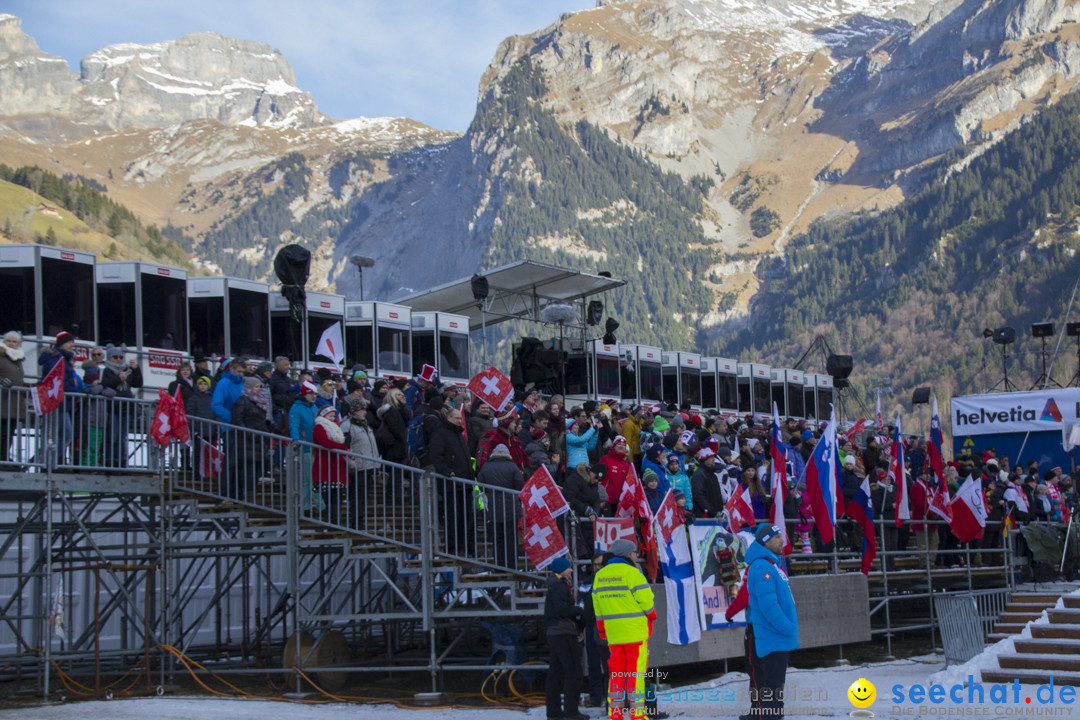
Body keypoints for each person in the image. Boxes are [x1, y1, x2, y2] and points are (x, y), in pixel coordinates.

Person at [591, 538, 656, 720]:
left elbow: (598, 610)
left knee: (616, 676)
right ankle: (637, 715)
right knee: (635, 676)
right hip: (635, 633)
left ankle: (616, 714)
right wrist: (652, 615)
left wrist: (603, 631)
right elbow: (647, 602)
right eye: (635, 552)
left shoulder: (600, 576)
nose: (637, 555)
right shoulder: (632, 572)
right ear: (628, 554)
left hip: (613, 635)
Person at [746, 524, 799, 719]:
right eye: (777, 537)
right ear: (766, 541)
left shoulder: (769, 564)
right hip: (774, 636)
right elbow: (769, 606)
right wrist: (788, 628)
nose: (782, 541)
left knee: (775, 689)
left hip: (778, 637)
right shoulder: (761, 566)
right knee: (772, 689)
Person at [428, 405, 476, 557]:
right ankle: (454, 547)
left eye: (461, 418)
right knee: (453, 518)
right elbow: (436, 456)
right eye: (457, 418)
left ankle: (466, 547)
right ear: (448, 418)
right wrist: (446, 471)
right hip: (451, 484)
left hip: (465, 483)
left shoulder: (459, 435)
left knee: (466, 518)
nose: (460, 421)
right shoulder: (441, 433)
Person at [545, 556, 587, 720]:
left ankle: (554, 712)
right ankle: (571, 711)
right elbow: (562, 610)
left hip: (554, 633)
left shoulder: (555, 586)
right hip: (563, 632)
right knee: (573, 671)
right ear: (562, 569)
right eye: (569, 568)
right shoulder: (560, 587)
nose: (571, 570)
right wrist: (579, 609)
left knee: (555, 673)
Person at [100, 345, 142, 467]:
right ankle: (109, 461)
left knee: (122, 438)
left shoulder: (126, 369)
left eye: (120, 357)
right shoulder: (106, 370)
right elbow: (106, 384)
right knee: (111, 437)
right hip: (112, 408)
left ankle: (121, 461)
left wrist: (136, 369)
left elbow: (138, 383)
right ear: (109, 358)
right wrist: (119, 379)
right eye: (115, 357)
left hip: (125, 409)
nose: (118, 359)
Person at [290, 381, 325, 513]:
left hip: (315, 448)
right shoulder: (297, 408)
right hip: (306, 448)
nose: (313, 396)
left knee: (310, 478)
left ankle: (309, 505)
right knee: (309, 478)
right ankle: (317, 505)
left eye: (315, 394)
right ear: (304, 394)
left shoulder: (313, 408)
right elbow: (294, 426)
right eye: (310, 394)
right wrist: (296, 440)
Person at [312, 406, 352, 524]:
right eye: (330, 416)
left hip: (335, 466)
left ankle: (335, 520)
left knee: (336, 497)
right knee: (330, 497)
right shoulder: (319, 427)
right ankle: (333, 520)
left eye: (333, 416)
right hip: (326, 466)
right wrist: (343, 448)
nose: (332, 418)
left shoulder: (333, 428)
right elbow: (325, 442)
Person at [0, 331, 27, 464]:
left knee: (9, 432)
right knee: (2, 432)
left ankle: (5, 458)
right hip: (2, 401)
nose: (11, 343)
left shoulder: (18, 359)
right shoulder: (1, 355)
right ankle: (2, 459)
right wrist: (1, 380)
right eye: (8, 341)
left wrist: (30, 387)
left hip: (14, 403)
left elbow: (19, 380)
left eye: (14, 341)